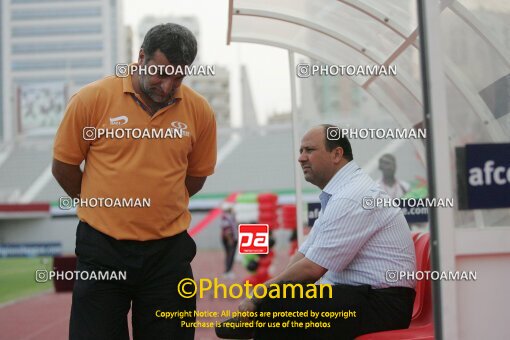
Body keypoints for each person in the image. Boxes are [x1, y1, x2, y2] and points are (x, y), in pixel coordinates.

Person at [52, 23, 217, 340]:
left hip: (168, 256)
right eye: (160, 73)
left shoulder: (200, 111)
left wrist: (157, 208)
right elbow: (64, 167)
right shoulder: (91, 100)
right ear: (141, 57)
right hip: (102, 251)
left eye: (179, 77)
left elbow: (195, 178)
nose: (167, 87)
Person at [217, 124, 416, 340]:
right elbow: (304, 255)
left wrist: (259, 296)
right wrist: (268, 293)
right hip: (362, 296)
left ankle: (255, 323)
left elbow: (312, 268)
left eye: (309, 150)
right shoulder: (340, 193)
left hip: (382, 305)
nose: (301, 158)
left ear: (336, 154)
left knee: (276, 307)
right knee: (277, 300)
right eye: (301, 151)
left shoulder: (352, 196)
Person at [220, 202, 238, 279]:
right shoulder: (226, 216)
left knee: (230, 255)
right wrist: (230, 239)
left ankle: (228, 270)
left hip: (231, 238)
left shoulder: (231, 216)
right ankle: (228, 271)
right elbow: (227, 229)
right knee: (230, 255)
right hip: (229, 239)